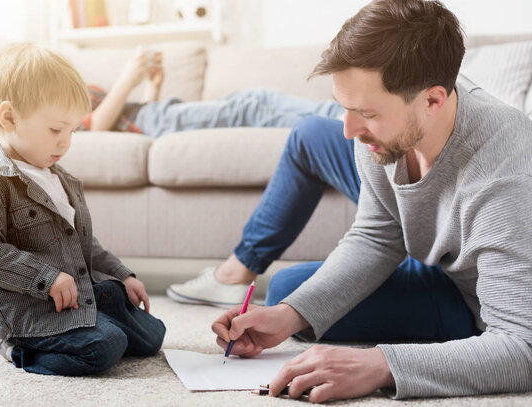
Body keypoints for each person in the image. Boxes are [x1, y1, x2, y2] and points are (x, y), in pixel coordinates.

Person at [198, 0, 530, 401]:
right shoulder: (382, 134)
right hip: (450, 272)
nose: (348, 130)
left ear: (433, 100)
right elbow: (377, 235)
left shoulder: (507, 172)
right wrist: (287, 317)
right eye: (344, 107)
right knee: (289, 297)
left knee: (304, 299)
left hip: (488, 305)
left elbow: (522, 347)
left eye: (366, 113)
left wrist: (380, 365)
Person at [0, 43, 165, 376]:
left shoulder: (60, 179)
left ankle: (100, 313)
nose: (65, 142)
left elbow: (83, 245)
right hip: (32, 311)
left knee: (153, 336)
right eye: (55, 130)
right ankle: (15, 349)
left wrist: (122, 274)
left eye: (72, 131)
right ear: (9, 117)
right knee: (106, 347)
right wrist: (45, 277)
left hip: (74, 296)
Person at [79, 48, 344, 137]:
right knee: (245, 110)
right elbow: (94, 129)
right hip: (156, 120)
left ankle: (339, 113)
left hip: (154, 114)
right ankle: (329, 131)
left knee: (257, 96)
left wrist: (153, 85)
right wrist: (127, 79)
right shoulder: (63, 101)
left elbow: (133, 117)